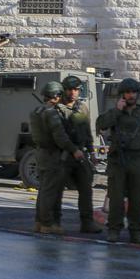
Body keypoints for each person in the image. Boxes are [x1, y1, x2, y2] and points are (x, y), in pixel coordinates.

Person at [96, 78, 140, 244]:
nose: (131, 95)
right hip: (118, 161)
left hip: (137, 160)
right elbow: (100, 125)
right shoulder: (115, 113)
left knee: (136, 199)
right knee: (116, 198)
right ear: (122, 94)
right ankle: (114, 230)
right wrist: (117, 110)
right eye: (127, 92)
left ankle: (136, 231)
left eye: (133, 92)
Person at [44, 75, 103, 234]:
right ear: (64, 90)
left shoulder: (82, 108)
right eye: (70, 89)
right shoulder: (56, 109)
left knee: (86, 188)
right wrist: (72, 150)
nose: (73, 92)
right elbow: (59, 135)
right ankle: (55, 222)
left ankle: (87, 222)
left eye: (76, 89)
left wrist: (92, 152)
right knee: (57, 190)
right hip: (63, 155)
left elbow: (86, 132)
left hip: (80, 154)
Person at [30, 81, 64, 234]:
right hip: (52, 154)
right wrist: (73, 149)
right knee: (49, 192)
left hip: (41, 153)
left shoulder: (36, 111)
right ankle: (47, 224)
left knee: (43, 190)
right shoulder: (51, 113)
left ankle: (39, 222)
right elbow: (59, 136)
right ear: (56, 96)